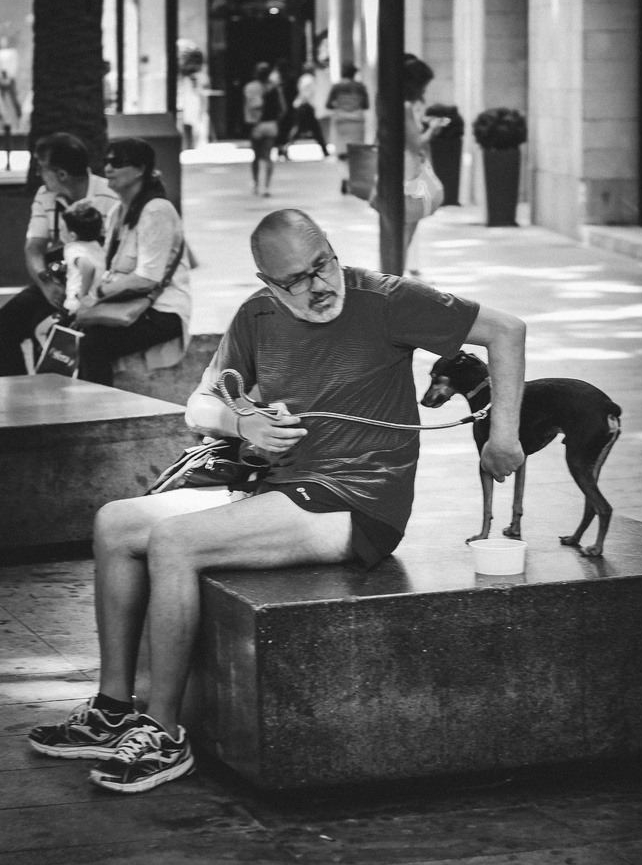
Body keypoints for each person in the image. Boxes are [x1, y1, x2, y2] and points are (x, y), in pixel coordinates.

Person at [27, 207, 526, 795]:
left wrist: (504, 437)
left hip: (358, 499)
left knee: (174, 541)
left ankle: (163, 731)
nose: (318, 285)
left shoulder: (385, 298)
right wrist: (245, 424)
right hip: (280, 485)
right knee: (115, 523)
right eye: (296, 279)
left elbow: (505, 329)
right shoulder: (256, 316)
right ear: (269, 282)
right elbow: (199, 407)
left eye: (323, 264)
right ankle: (113, 707)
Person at [0, 133, 119, 376]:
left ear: (61, 174)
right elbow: (34, 248)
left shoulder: (109, 196)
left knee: (44, 328)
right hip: (57, 277)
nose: (38, 175)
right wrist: (46, 283)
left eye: (42, 168)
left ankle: (56, 391)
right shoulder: (46, 196)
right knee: (6, 324)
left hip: (95, 284)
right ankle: (19, 390)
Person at [75, 137, 191, 386]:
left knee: (93, 345)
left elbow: (148, 277)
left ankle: (99, 418)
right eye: (106, 161)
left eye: (117, 163)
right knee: (69, 330)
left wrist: (97, 293)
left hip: (161, 309)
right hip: (126, 302)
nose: (108, 168)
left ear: (140, 170)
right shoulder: (118, 212)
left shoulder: (156, 211)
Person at [403, 55, 447, 275]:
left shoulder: (398, 104)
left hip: (404, 171)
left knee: (406, 227)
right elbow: (415, 143)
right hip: (407, 173)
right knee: (406, 229)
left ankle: (395, 274)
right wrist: (433, 129)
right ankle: (394, 276)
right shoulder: (405, 107)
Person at [326, 62, 370, 193]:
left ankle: (345, 177)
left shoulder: (337, 87)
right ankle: (353, 180)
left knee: (342, 153)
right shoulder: (360, 87)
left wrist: (341, 105)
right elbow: (366, 105)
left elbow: (328, 104)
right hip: (357, 120)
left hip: (341, 120)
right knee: (355, 152)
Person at [243, 62, 285, 196]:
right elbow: (283, 108)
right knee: (267, 156)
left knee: (256, 157)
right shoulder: (275, 88)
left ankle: (256, 184)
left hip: (257, 125)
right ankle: (267, 187)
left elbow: (248, 107)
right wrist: (276, 119)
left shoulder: (251, 87)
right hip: (271, 125)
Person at [60, 204, 106, 314]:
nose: (60, 231)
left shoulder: (72, 248)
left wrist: (82, 295)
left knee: (42, 330)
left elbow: (87, 267)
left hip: (75, 305)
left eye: (62, 229)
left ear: (72, 236)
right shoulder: (96, 246)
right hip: (96, 303)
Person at [284, 63, 329, 157]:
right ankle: (285, 147)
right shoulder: (309, 79)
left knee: (300, 128)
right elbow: (306, 94)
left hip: (303, 105)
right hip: (305, 106)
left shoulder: (303, 78)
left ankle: (285, 147)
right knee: (312, 129)